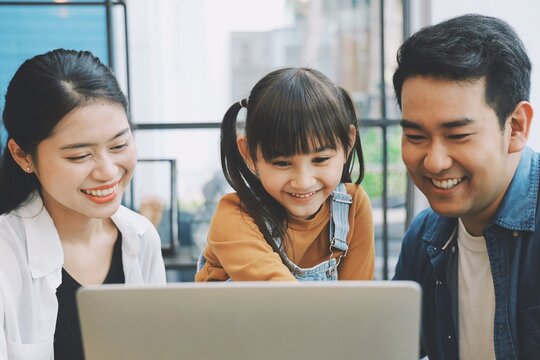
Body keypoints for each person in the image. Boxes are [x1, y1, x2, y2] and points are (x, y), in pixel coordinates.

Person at [0, 49, 166, 360]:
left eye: (119, 145)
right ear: (23, 156)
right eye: (79, 155)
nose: (107, 171)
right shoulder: (5, 255)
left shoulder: (141, 238)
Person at [392, 14, 538, 360]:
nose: (434, 162)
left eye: (457, 136)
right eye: (415, 136)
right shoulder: (424, 236)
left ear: (515, 127)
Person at [195, 67, 375, 281]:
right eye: (282, 163)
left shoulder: (353, 207)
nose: (303, 182)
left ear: (348, 144)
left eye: (320, 159)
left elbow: (356, 305)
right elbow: (281, 297)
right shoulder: (234, 217)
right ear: (249, 154)